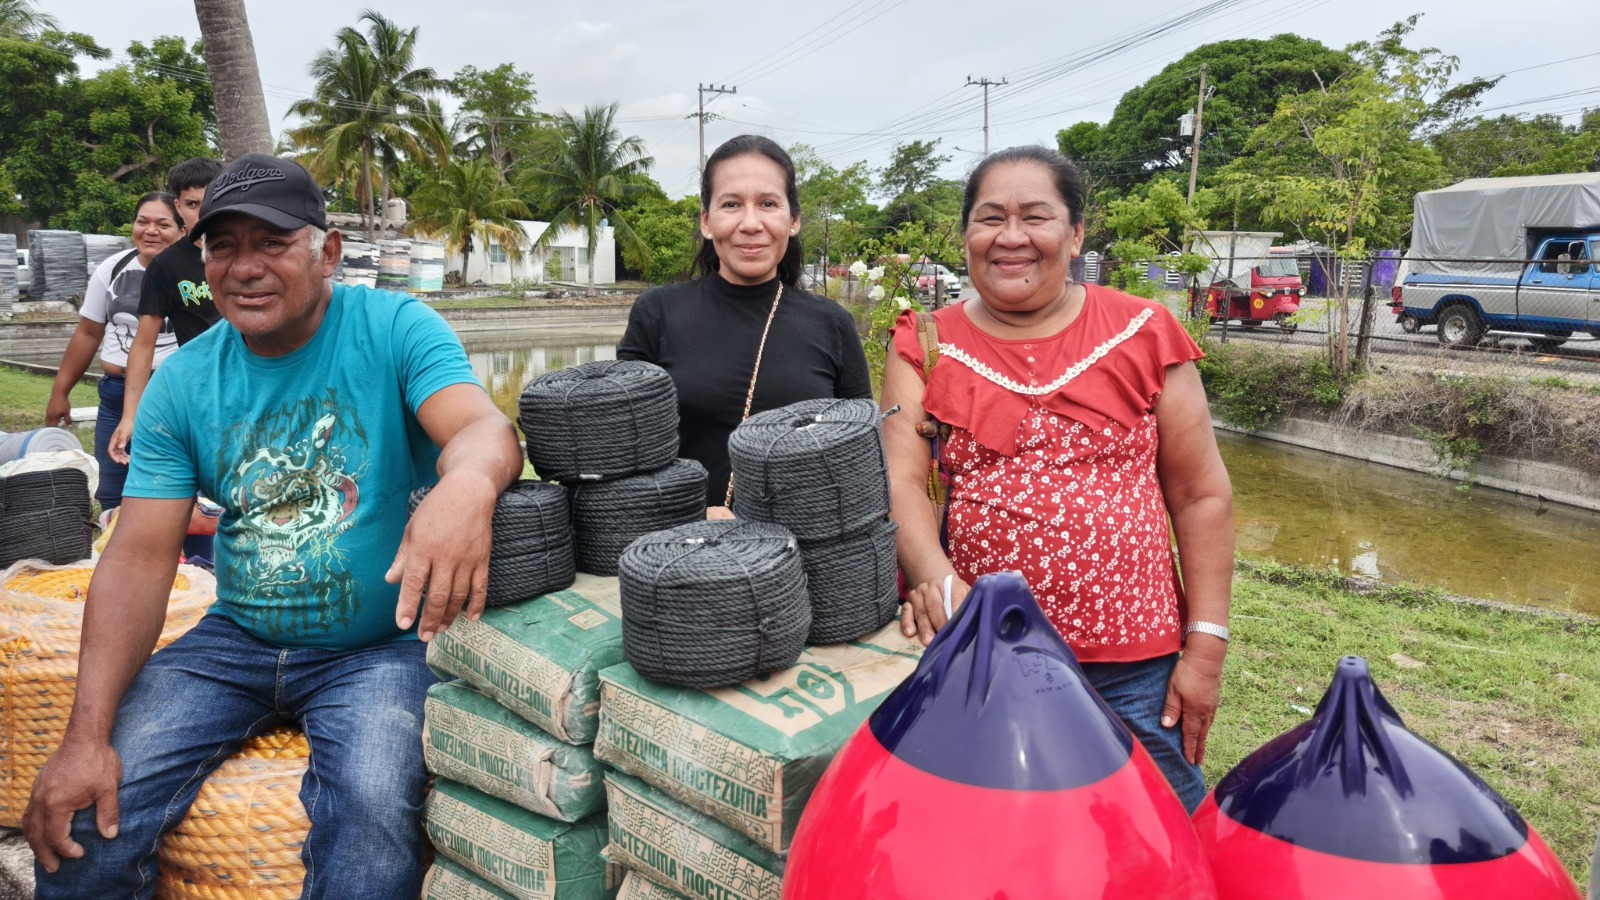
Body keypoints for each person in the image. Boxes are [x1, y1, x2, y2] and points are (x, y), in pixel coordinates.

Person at [23, 153, 523, 899]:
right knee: (90, 811)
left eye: (272, 242)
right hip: (237, 638)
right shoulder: (184, 383)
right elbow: (135, 561)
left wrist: (469, 483)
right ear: (201, 260)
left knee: (372, 810)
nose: (245, 267)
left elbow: (482, 428)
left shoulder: (393, 326)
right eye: (224, 245)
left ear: (326, 252)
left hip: (379, 647)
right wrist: (83, 739)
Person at [882, 146, 1234, 812]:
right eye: (990, 218)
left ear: (1074, 235)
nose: (1010, 237)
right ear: (966, 237)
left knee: (1155, 836)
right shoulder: (924, 341)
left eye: (1034, 217)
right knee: (1003, 836)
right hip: (985, 657)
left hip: (1135, 669)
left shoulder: (1144, 332)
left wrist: (1207, 644)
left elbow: (1200, 494)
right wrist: (940, 584)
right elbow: (901, 480)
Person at [618, 134, 872, 513]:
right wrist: (692, 513)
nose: (751, 223)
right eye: (732, 204)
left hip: (804, 550)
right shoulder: (658, 312)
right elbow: (626, 449)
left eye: (768, 204)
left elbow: (859, 454)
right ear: (707, 221)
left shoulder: (831, 323)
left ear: (793, 221)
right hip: (682, 550)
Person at [45, 192, 186, 511]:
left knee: (173, 493)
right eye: (142, 222)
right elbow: (88, 332)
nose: (150, 230)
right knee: (110, 493)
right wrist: (60, 392)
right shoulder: (113, 268)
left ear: (182, 230)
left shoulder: (196, 273)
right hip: (116, 396)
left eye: (162, 224)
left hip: (172, 397)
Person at [108, 157, 224, 468]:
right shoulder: (166, 266)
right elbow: (144, 344)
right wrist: (130, 416)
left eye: (211, 199)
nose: (202, 211)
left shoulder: (249, 251)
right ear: (179, 207)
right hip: (204, 395)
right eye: (191, 203)